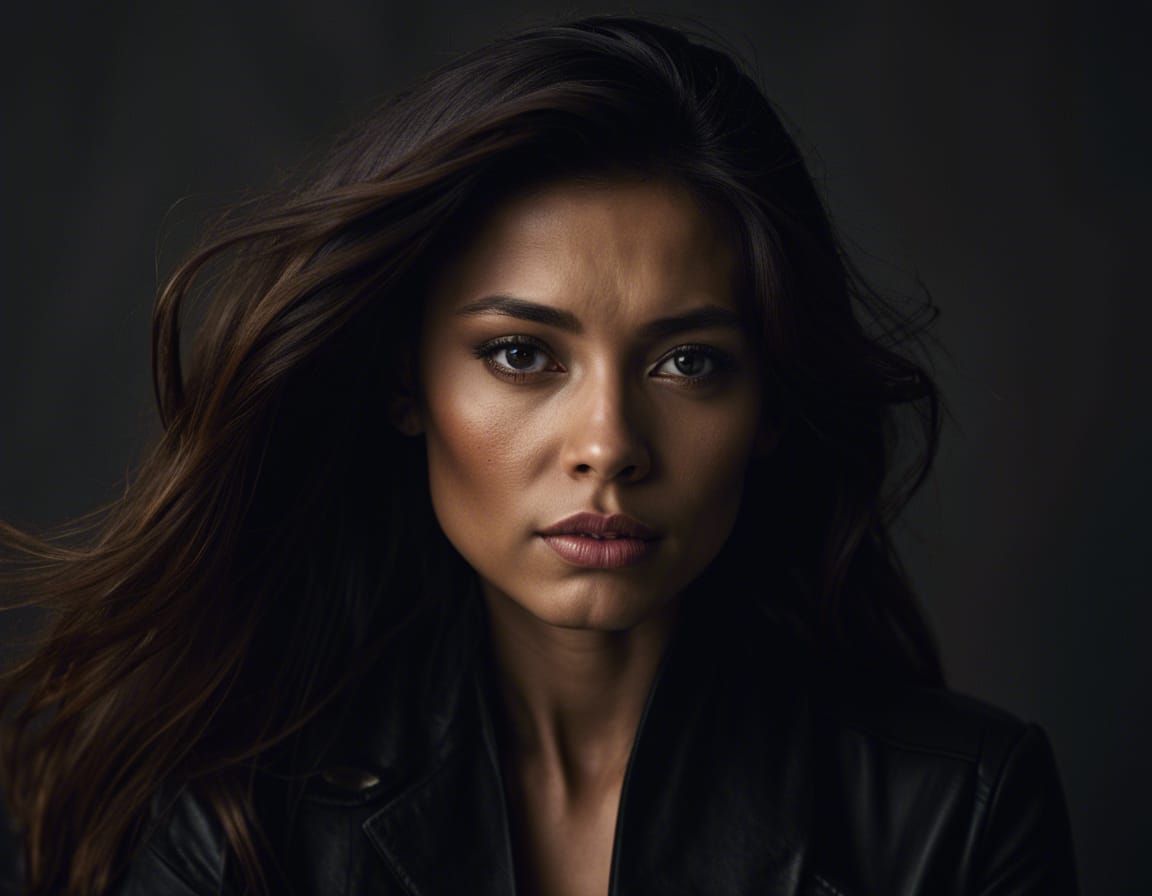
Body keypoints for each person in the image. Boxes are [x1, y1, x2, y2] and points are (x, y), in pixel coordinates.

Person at [0, 14, 1078, 896]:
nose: (607, 444)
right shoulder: (238, 815)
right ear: (406, 382)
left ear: (772, 404)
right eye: (522, 352)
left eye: (691, 362)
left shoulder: (958, 816)